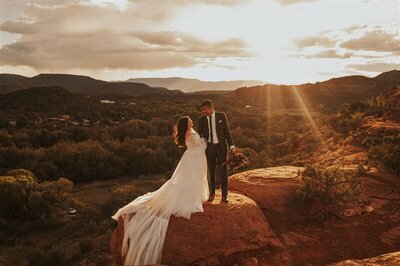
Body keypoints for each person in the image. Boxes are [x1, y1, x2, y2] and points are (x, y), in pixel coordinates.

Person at [111, 116, 209, 265]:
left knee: (192, 180)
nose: (191, 122)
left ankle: (194, 195)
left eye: (190, 121)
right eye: (189, 121)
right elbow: (198, 145)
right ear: (185, 124)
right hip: (193, 159)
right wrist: (204, 141)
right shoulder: (188, 134)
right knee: (189, 180)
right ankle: (190, 199)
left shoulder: (190, 131)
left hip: (196, 158)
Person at [197, 100, 235, 203]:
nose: (203, 112)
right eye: (202, 110)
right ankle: (211, 194)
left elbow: (227, 132)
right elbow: (199, 135)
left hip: (221, 148)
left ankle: (224, 196)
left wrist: (231, 145)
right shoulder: (201, 120)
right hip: (209, 149)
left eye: (204, 109)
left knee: (223, 172)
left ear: (210, 108)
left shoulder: (221, 116)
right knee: (211, 172)